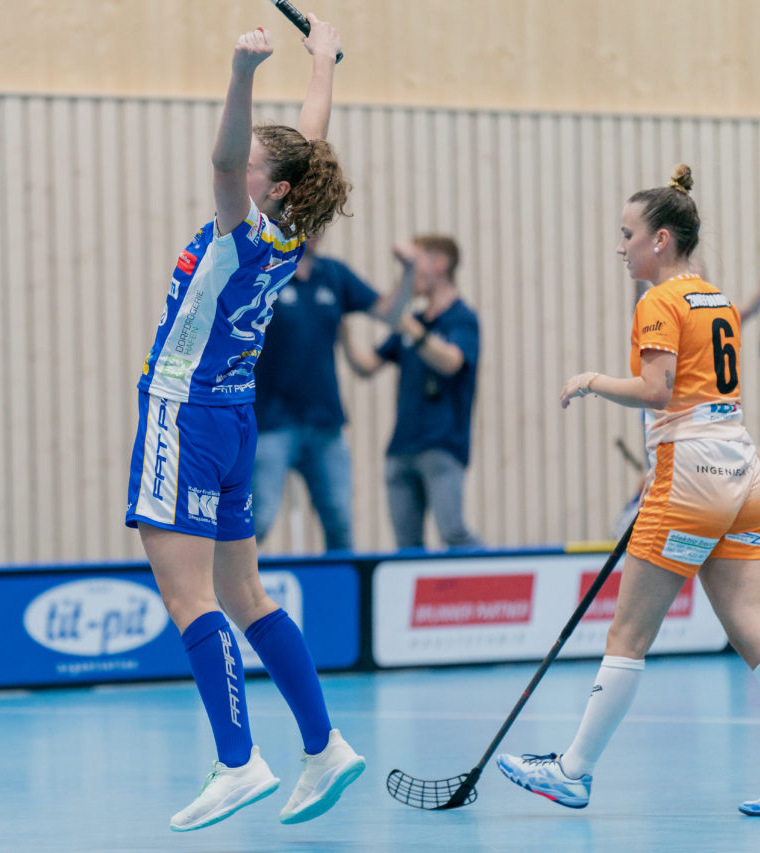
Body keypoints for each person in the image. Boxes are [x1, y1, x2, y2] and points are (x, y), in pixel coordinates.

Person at [496, 165, 760, 816]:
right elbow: (698, 396)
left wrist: (592, 380)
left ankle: (572, 771)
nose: (620, 247)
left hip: (692, 473)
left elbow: (657, 391)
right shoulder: (716, 297)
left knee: (627, 635)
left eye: (627, 235)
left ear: (660, 239)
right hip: (741, 471)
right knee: (758, 632)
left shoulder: (657, 301)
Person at [123, 19, 364, 832]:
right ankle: (324, 745)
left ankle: (238, 760)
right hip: (233, 418)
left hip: (185, 412)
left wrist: (241, 72)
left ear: (274, 187)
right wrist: (321, 61)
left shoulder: (244, 226)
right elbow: (309, 144)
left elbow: (226, 161)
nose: (242, 162)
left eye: (259, 161)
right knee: (245, 592)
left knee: (190, 596)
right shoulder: (290, 229)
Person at [251, 237, 412, 551]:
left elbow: (390, 314)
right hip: (272, 422)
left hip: (325, 424)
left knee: (340, 521)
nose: (313, 231)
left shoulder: (333, 275)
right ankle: (221, 583)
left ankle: (344, 584)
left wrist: (408, 272)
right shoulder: (265, 273)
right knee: (259, 520)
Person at [342, 234, 483, 548]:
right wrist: (343, 333)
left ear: (440, 264)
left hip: (442, 446)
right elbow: (367, 366)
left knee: (453, 532)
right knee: (407, 545)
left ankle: (490, 575)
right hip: (401, 448)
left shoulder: (462, 319)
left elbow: (452, 361)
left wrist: (409, 328)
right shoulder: (414, 321)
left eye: (415, 264)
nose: (409, 275)